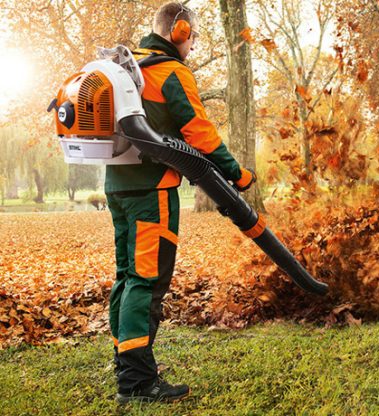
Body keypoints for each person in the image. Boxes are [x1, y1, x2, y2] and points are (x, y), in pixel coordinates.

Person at [105, 1, 256, 404]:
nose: (192, 44)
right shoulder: (170, 71)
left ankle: (126, 362)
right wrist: (237, 174)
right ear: (181, 31)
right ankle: (137, 381)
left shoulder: (126, 65)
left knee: (126, 275)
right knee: (147, 280)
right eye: (193, 36)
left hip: (117, 187)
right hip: (152, 190)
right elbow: (199, 132)